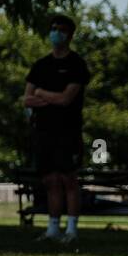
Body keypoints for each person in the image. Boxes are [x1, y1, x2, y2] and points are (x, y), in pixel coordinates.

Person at [23, 14, 90, 243]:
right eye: (53, 29)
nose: (56, 33)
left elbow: (66, 99)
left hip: (68, 132)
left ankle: (71, 229)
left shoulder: (76, 65)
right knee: (50, 180)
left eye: (61, 30)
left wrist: (42, 94)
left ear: (70, 35)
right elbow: (27, 99)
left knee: (68, 179)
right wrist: (47, 97)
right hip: (42, 132)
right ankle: (53, 228)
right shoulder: (41, 65)